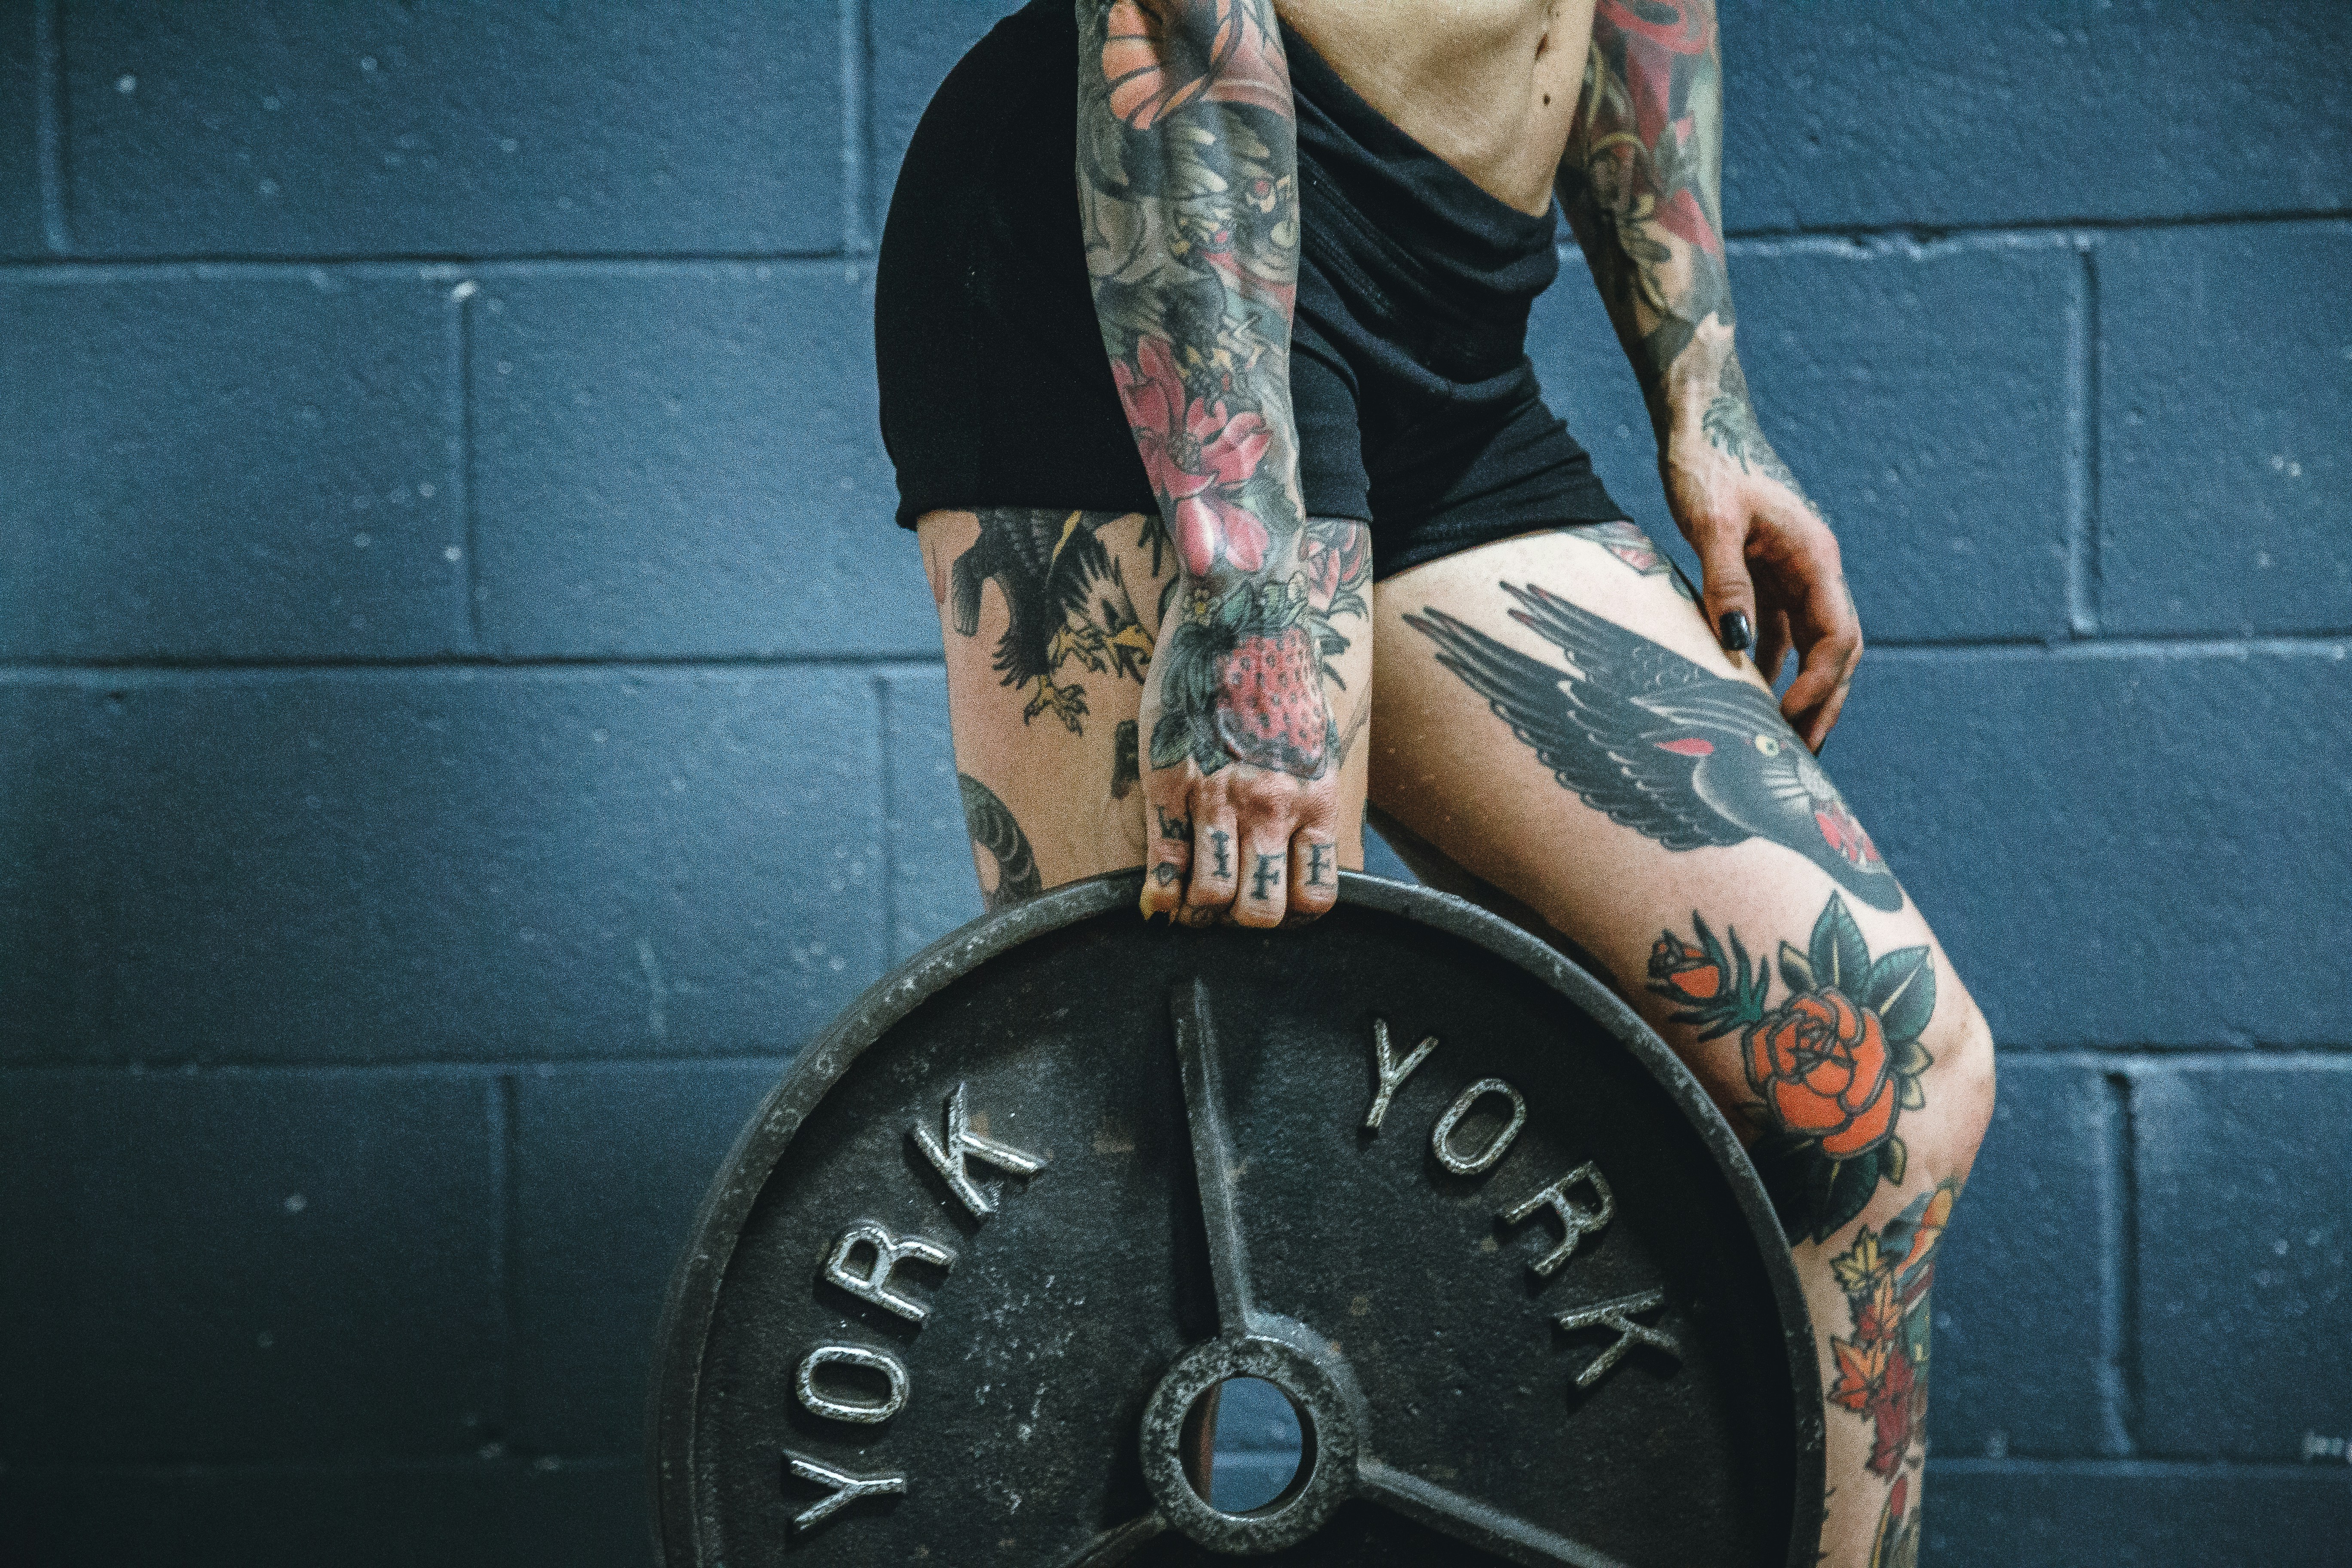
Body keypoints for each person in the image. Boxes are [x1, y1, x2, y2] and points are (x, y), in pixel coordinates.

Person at [874, 1, 1996, 1561]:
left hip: (1450, 307)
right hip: (1170, 248)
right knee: (1136, 1183)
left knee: (1892, 1081)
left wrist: (1706, 396)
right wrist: (1250, 571)